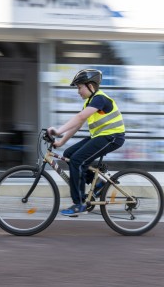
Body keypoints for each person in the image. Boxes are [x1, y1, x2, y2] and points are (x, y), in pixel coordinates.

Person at [48, 69, 125, 216]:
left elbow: (80, 117)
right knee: (69, 154)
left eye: (79, 87)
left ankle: (78, 204)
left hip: (113, 136)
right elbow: (78, 124)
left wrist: (58, 131)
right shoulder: (90, 103)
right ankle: (98, 184)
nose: (78, 92)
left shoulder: (99, 99)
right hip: (101, 136)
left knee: (77, 160)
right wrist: (61, 142)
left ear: (90, 85)